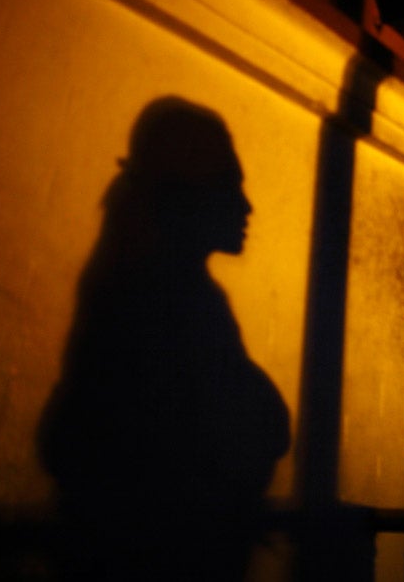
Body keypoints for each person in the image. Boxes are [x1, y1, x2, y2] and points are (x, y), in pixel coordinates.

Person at [38, 97, 290, 581]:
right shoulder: (159, 301)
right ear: (185, 196)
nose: (246, 204)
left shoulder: (169, 294)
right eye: (228, 186)